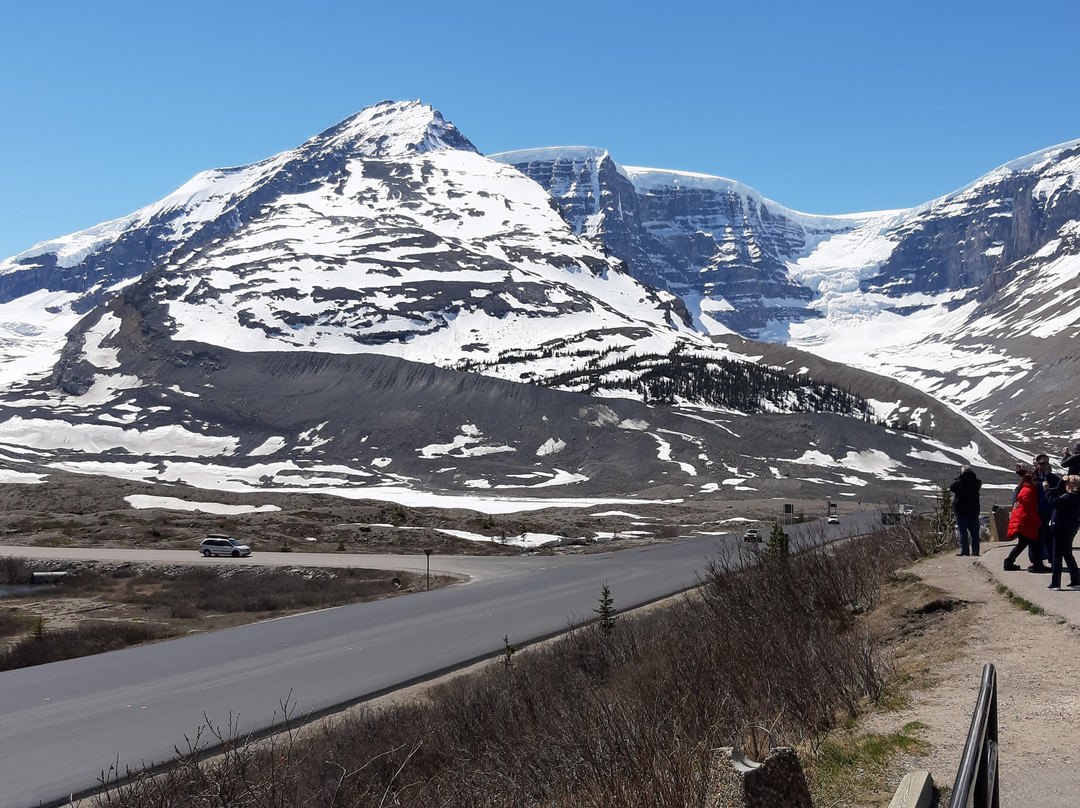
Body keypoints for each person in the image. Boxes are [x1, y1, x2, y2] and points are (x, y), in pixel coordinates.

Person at [1003, 463, 1042, 571]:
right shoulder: (1028, 492)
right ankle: (1036, 564)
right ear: (1030, 481)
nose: (1037, 482)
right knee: (1031, 542)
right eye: (1035, 480)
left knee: (1023, 544)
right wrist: (1038, 522)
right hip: (1024, 521)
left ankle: (1009, 562)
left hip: (1023, 521)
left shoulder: (1027, 489)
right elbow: (1030, 510)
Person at [1045, 475, 1080, 590]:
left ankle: (1055, 583)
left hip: (1061, 528)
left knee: (1057, 556)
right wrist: (1062, 482)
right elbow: (1060, 493)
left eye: (1067, 482)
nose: (1065, 483)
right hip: (1070, 528)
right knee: (1067, 554)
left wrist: (1047, 491)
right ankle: (1075, 580)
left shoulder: (1069, 497)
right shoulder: (1074, 496)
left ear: (1073, 485)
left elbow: (1053, 502)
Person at [1031, 453, 1062, 567]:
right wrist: (1016, 501)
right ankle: (1037, 563)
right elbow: (1020, 489)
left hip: (1049, 512)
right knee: (1036, 538)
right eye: (1042, 463)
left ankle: (1053, 561)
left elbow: (1061, 492)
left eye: (1047, 463)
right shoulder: (1032, 478)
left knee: (1050, 537)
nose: (1045, 465)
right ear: (1037, 465)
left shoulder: (1053, 479)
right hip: (1035, 512)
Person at [949, 466, 982, 556]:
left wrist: (960, 478)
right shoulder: (976, 482)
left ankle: (965, 551)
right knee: (974, 533)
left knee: (963, 533)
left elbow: (952, 487)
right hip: (973, 511)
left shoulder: (960, 483)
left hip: (961, 511)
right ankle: (975, 551)